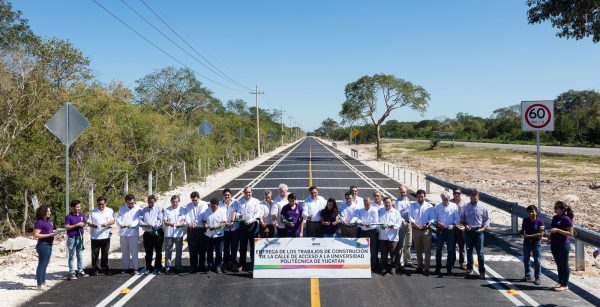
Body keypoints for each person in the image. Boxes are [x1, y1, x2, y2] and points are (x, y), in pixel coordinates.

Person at [461, 189, 490, 279]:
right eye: (473, 198)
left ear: (478, 198)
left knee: (480, 253)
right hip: (469, 231)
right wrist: (465, 225)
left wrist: (484, 227)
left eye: (476, 199)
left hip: (479, 232)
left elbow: (487, 219)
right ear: (470, 197)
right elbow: (462, 219)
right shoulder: (465, 207)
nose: (474, 200)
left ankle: (482, 271)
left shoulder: (483, 207)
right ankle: (470, 268)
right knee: (469, 251)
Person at [33, 205, 59, 291]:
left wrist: (56, 231)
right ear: (43, 212)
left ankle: (43, 283)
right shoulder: (39, 222)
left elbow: (49, 231)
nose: (49, 212)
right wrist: (49, 235)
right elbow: (36, 235)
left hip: (49, 244)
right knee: (42, 264)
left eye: (49, 211)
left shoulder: (48, 221)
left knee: (45, 264)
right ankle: (39, 284)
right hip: (43, 245)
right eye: (48, 211)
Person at [550, 201, 574, 292]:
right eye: (554, 207)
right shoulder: (555, 217)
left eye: (557, 208)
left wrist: (558, 230)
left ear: (562, 209)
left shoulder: (566, 219)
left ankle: (565, 284)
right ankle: (560, 282)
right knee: (559, 264)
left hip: (563, 244)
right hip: (554, 243)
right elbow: (553, 228)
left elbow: (570, 233)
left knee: (564, 264)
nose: (555, 209)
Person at [409, 190, 435, 275]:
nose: (420, 198)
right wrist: (415, 225)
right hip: (416, 230)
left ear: (425, 196)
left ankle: (426, 268)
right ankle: (420, 265)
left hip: (426, 230)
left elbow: (432, 218)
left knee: (427, 250)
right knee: (418, 249)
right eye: (419, 196)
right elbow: (410, 217)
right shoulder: (412, 206)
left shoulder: (429, 206)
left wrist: (426, 225)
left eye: (422, 196)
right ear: (416, 197)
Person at [434, 191, 459, 276]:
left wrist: (453, 224)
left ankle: (449, 268)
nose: (445, 201)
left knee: (450, 250)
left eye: (447, 199)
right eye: (444, 199)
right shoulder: (437, 207)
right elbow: (435, 218)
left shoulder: (454, 206)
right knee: (439, 249)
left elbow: (457, 218)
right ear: (441, 199)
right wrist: (438, 223)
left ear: (449, 199)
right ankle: (438, 267)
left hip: (450, 230)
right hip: (440, 230)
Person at [88, 196, 114, 276]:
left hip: (105, 235)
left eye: (102, 204)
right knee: (95, 253)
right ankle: (95, 268)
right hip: (95, 236)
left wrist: (107, 223)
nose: (101, 206)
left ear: (105, 203)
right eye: (99, 204)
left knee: (105, 253)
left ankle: (104, 267)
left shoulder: (109, 210)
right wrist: (93, 225)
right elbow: (89, 222)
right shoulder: (93, 212)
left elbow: (113, 221)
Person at [236, 186, 261, 272]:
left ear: (252, 192)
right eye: (246, 192)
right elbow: (237, 213)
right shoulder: (240, 202)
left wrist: (250, 220)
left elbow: (257, 213)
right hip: (243, 225)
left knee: (253, 246)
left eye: (249, 192)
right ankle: (242, 264)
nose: (248, 194)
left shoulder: (256, 201)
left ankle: (254, 264)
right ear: (244, 193)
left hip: (253, 226)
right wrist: (239, 216)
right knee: (242, 246)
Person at [116, 194, 142, 275]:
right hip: (123, 233)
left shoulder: (138, 209)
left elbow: (138, 219)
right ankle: (126, 268)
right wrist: (121, 224)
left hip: (133, 233)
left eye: (132, 203)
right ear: (126, 202)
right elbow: (118, 218)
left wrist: (132, 225)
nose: (131, 204)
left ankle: (135, 268)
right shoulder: (122, 208)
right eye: (129, 203)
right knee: (124, 251)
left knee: (134, 251)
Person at [520, 205, 544, 285]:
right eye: (529, 212)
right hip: (527, 242)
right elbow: (523, 229)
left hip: (536, 243)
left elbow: (541, 234)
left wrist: (529, 236)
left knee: (537, 260)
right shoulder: (525, 220)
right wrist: (521, 233)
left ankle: (537, 277)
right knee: (526, 259)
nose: (531, 213)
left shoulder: (540, 222)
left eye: (533, 211)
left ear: (536, 212)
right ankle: (527, 275)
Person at [140, 195, 164, 275]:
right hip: (147, 233)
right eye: (149, 202)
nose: (151, 203)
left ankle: (158, 266)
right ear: (148, 202)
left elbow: (160, 220)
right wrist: (145, 224)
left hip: (157, 232)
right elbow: (140, 220)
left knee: (158, 251)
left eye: (152, 202)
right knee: (148, 251)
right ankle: (148, 267)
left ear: (155, 201)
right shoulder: (144, 210)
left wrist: (152, 224)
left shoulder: (159, 209)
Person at [64, 200, 88, 280]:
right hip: (72, 238)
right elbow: (67, 227)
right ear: (73, 207)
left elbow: (85, 222)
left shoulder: (81, 215)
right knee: (71, 255)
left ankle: (80, 270)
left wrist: (83, 224)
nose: (78, 208)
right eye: (77, 207)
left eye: (79, 207)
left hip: (80, 237)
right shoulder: (68, 217)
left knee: (80, 255)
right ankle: (71, 272)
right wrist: (76, 225)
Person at [186, 191, 209, 274]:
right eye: (193, 200)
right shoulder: (189, 206)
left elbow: (201, 215)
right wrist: (189, 223)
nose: (194, 202)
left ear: (198, 198)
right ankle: (193, 266)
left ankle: (202, 266)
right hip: (191, 229)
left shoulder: (204, 204)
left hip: (201, 229)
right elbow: (187, 215)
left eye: (195, 200)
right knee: (192, 249)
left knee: (202, 249)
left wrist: (195, 222)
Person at [202, 198, 227, 274]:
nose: (213, 207)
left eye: (214, 206)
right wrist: (206, 225)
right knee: (209, 251)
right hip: (209, 234)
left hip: (218, 234)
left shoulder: (222, 211)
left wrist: (217, 226)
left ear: (217, 205)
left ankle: (218, 266)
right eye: (212, 206)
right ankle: (210, 265)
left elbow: (224, 222)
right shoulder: (207, 211)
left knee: (219, 252)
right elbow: (204, 220)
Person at [378, 197, 402, 275]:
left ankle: (393, 267)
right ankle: (384, 267)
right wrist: (380, 226)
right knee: (383, 253)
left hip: (393, 236)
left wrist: (393, 226)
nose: (387, 204)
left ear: (391, 203)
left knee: (394, 253)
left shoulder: (396, 212)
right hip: (383, 236)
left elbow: (399, 223)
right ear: (383, 203)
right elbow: (376, 222)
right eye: (386, 203)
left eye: (389, 202)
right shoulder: (380, 211)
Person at [163, 195, 186, 274]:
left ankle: (178, 266)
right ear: (171, 201)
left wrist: (180, 224)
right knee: (168, 251)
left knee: (179, 251)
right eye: (173, 202)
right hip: (169, 234)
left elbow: (183, 219)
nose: (175, 203)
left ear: (178, 202)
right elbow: (165, 222)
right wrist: (171, 224)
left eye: (176, 202)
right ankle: (168, 267)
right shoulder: (166, 210)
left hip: (179, 234)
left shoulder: (182, 209)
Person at [357, 197, 380, 271]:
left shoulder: (374, 210)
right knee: (363, 249)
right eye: (365, 203)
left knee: (373, 250)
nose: (366, 204)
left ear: (371, 203)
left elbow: (376, 223)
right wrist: (361, 223)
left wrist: (368, 225)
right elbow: (358, 219)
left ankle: (373, 265)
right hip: (363, 232)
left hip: (372, 232)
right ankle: (364, 265)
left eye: (368, 203)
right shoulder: (361, 210)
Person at [394, 185, 413, 269]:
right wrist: (403, 221)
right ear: (399, 192)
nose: (403, 194)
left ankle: (408, 261)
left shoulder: (407, 199)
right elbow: (398, 214)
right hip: (402, 224)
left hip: (409, 223)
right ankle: (401, 262)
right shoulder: (397, 202)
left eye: (404, 192)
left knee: (408, 243)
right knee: (401, 244)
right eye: (401, 192)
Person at [220, 188, 239, 272]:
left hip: (234, 228)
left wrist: (231, 222)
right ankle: (226, 262)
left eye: (228, 195)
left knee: (234, 247)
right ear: (223, 196)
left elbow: (234, 212)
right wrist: (225, 223)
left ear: (231, 196)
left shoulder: (235, 202)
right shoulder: (220, 204)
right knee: (226, 247)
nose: (227, 196)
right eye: (225, 195)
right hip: (224, 229)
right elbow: (219, 215)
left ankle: (233, 262)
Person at [450, 187, 467, 270]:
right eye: (455, 193)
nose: (457, 194)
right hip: (452, 227)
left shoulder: (464, 204)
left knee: (462, 246)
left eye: (458, 193)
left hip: (461, 228)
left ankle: (462, 262)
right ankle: (452, 261)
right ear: (453, 194)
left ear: (461, 194)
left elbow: (466, 216)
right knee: (452, 245)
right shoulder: (449, 202)